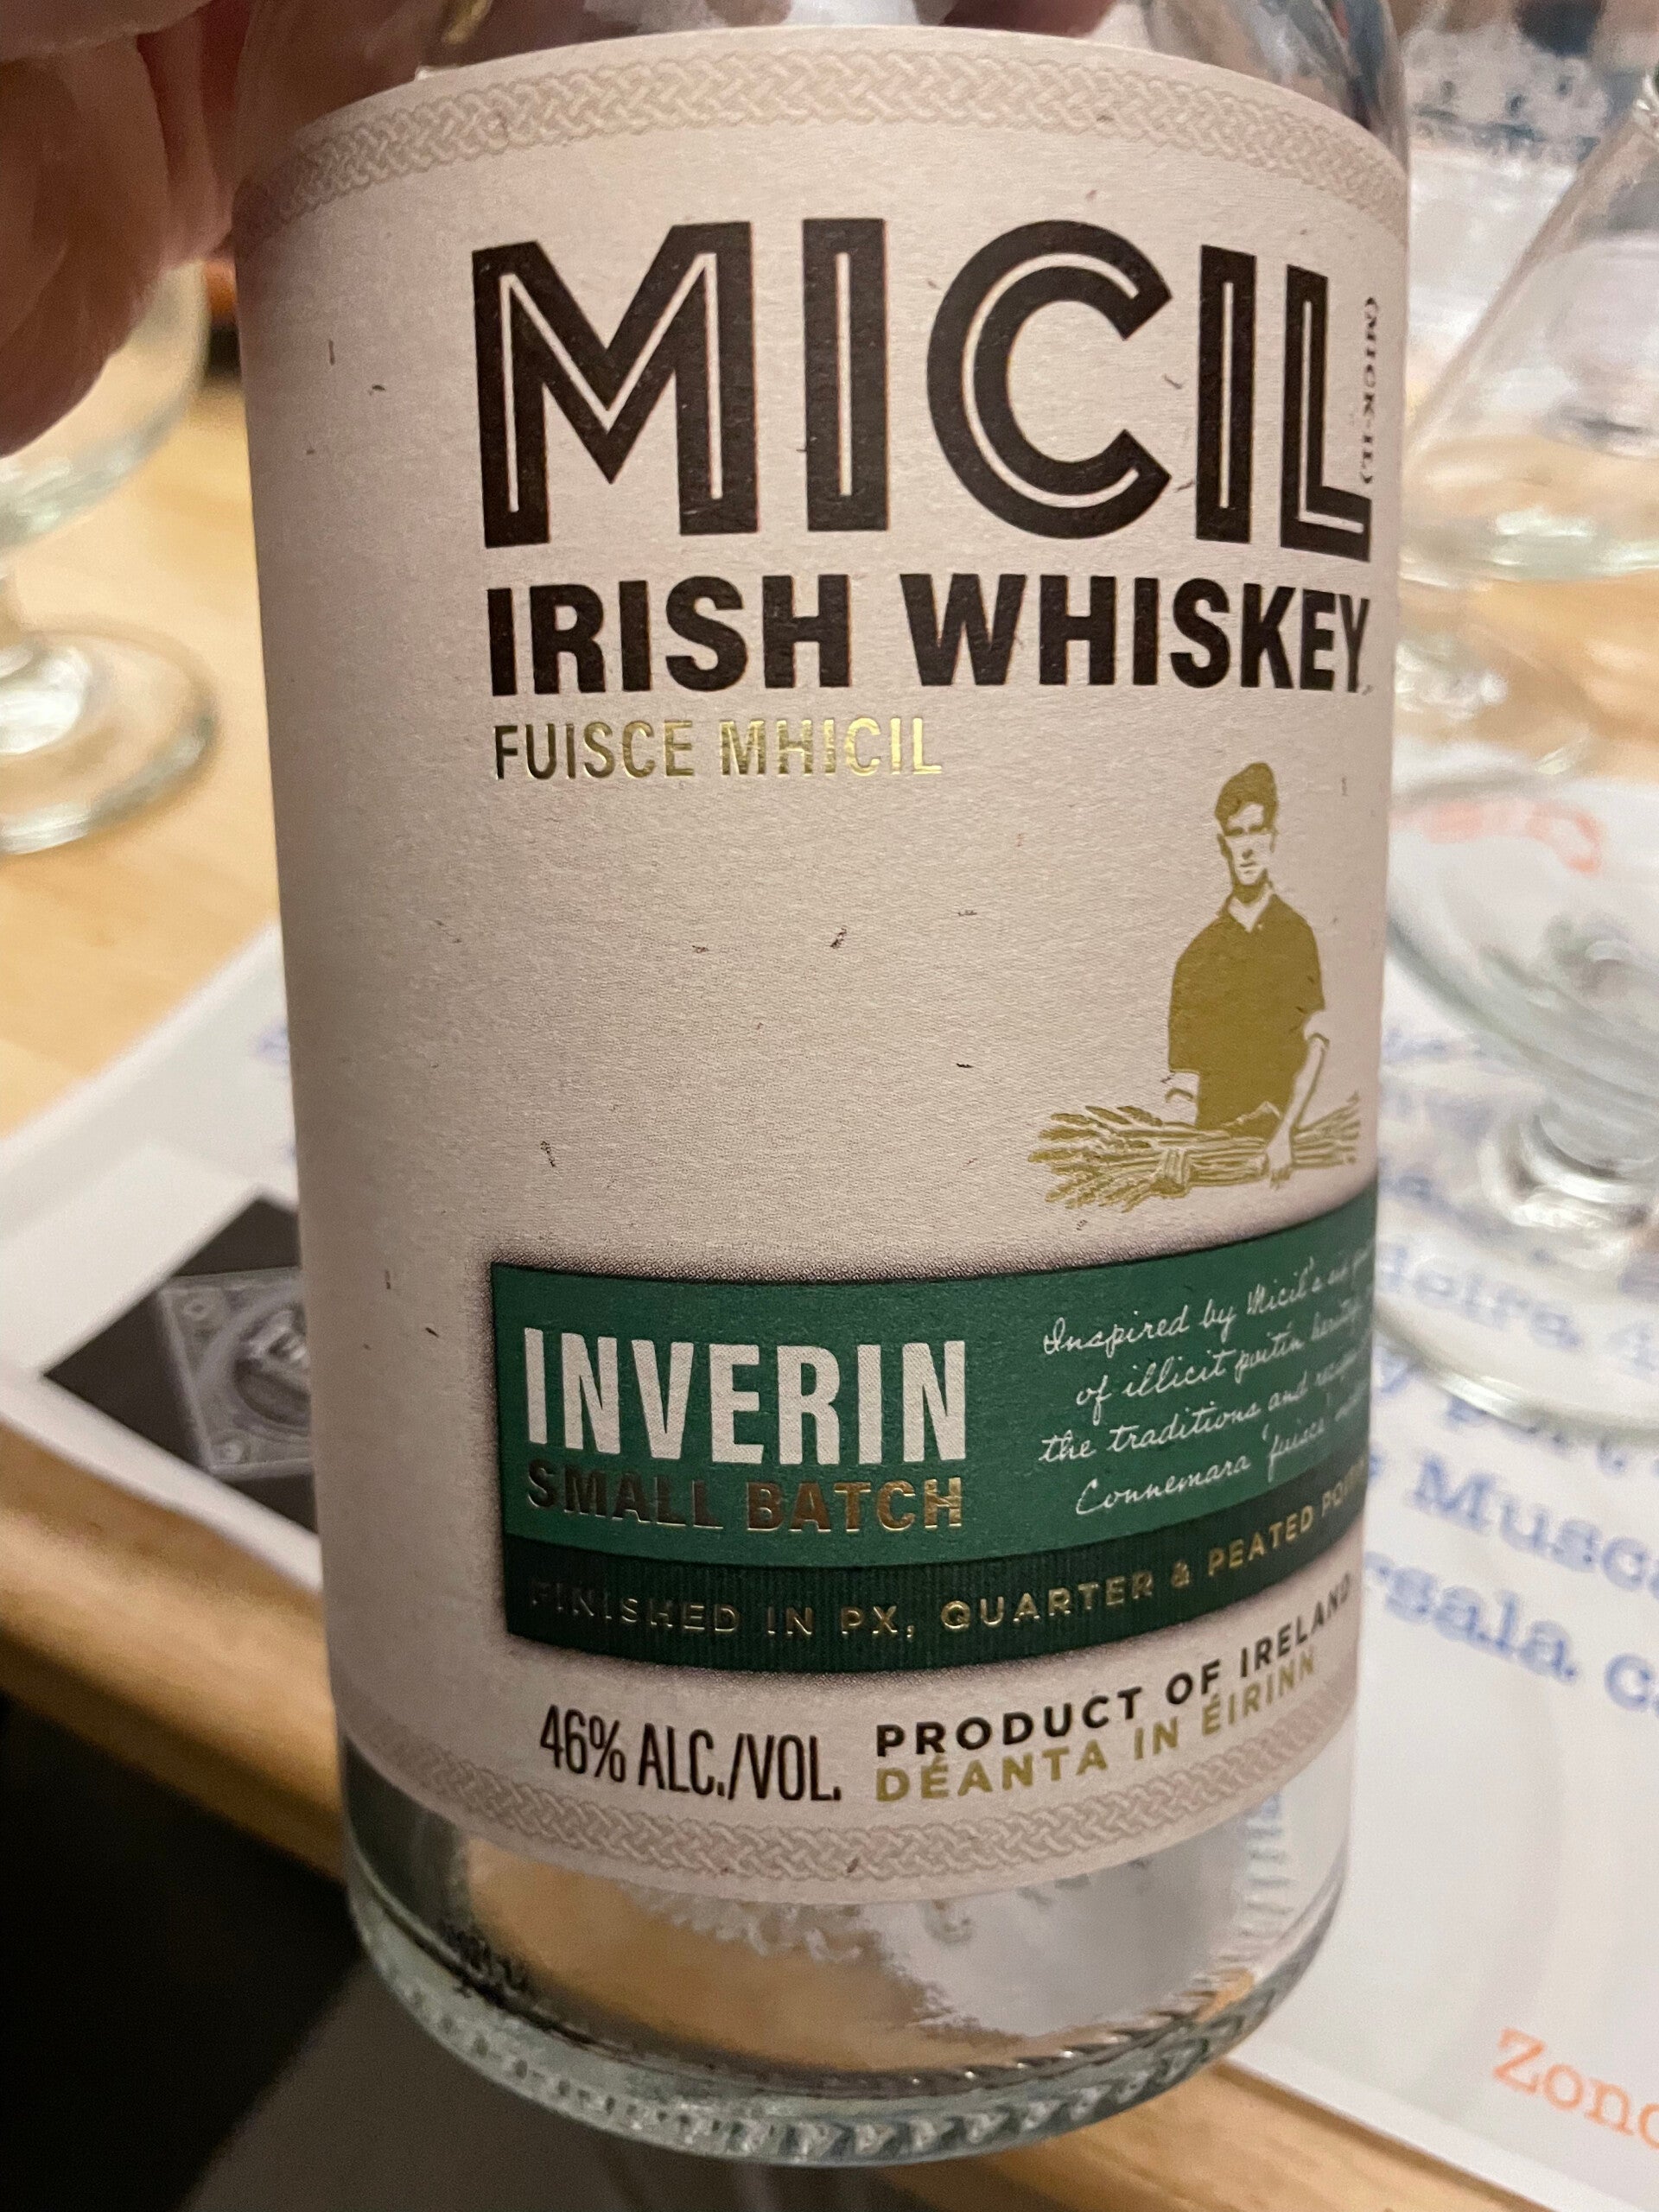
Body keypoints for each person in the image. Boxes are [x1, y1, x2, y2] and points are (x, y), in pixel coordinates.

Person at [1165, 761, 1329, 1185]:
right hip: (1214, 1150)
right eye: (1237, 834)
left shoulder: (1296, 936)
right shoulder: (1197, 958)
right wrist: (1176, 1143)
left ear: (1273, 837)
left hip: (1280, 1142)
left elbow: (1318, 1043)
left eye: (1256, 830)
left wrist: (1285, 1135)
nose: (1248, 848)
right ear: (1224, 845)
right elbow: (1185, 1079)